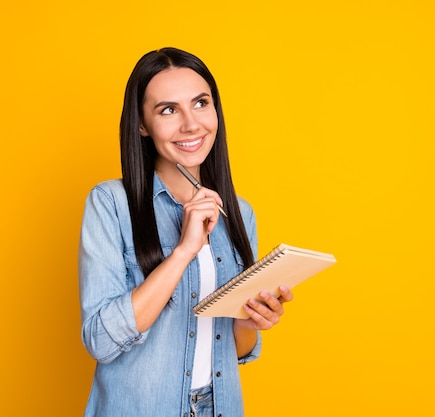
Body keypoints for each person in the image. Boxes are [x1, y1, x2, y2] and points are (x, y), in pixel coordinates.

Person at [78, 47, 294, 417]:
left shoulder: (239, 212)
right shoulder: (111, 203)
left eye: (200, 103)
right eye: (168, 110)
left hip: (219, 406)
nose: (191, 124)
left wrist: (249, 320)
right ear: (142, 125)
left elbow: (235, 349)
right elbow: (99, 339)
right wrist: (183, 250)